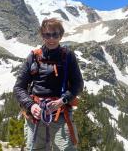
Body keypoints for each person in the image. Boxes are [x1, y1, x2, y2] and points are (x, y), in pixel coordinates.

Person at [13, 18, 84, 151]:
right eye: (47, 35)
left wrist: (62, 101)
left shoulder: (68, 56)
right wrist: (31, 105)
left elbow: (78, 84)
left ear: (61, 36)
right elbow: (18, 87)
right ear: (42, 35)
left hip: (61, 112)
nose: (51, 39)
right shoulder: (33, 57)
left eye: (55, 35)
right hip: (35, 113)